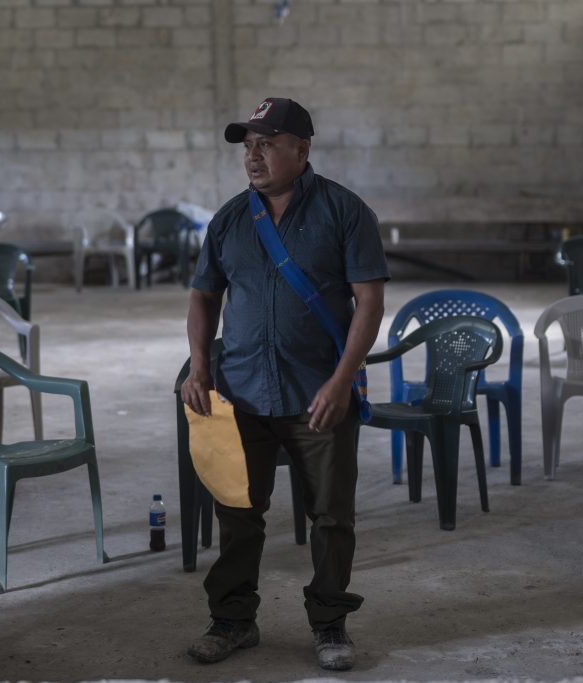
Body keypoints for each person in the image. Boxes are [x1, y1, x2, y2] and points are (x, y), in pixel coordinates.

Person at [180, 97, 388, 671]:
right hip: (242, 390)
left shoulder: (345, 212)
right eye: (248, 146)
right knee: (238, 510)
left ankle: (329, 624)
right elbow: (204, 294)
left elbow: (369, 301)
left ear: (302, 148)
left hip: (318, 393)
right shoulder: (228, 220)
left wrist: (342, 382)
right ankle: (232, 620)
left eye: (266, 143)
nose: (254, 156)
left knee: (331, 516)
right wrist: (200, 365)